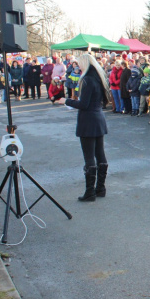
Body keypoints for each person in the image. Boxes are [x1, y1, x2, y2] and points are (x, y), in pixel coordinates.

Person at [65, 53, 110, 202]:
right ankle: (100, 188)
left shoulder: (87, 80)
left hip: (88, 121)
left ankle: (90, 192)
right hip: (98, 119)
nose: (77, 66)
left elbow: (83, 104)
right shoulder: (98, 79)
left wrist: (67, 101)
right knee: (100, 154)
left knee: (89, 157)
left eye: (79, 64)